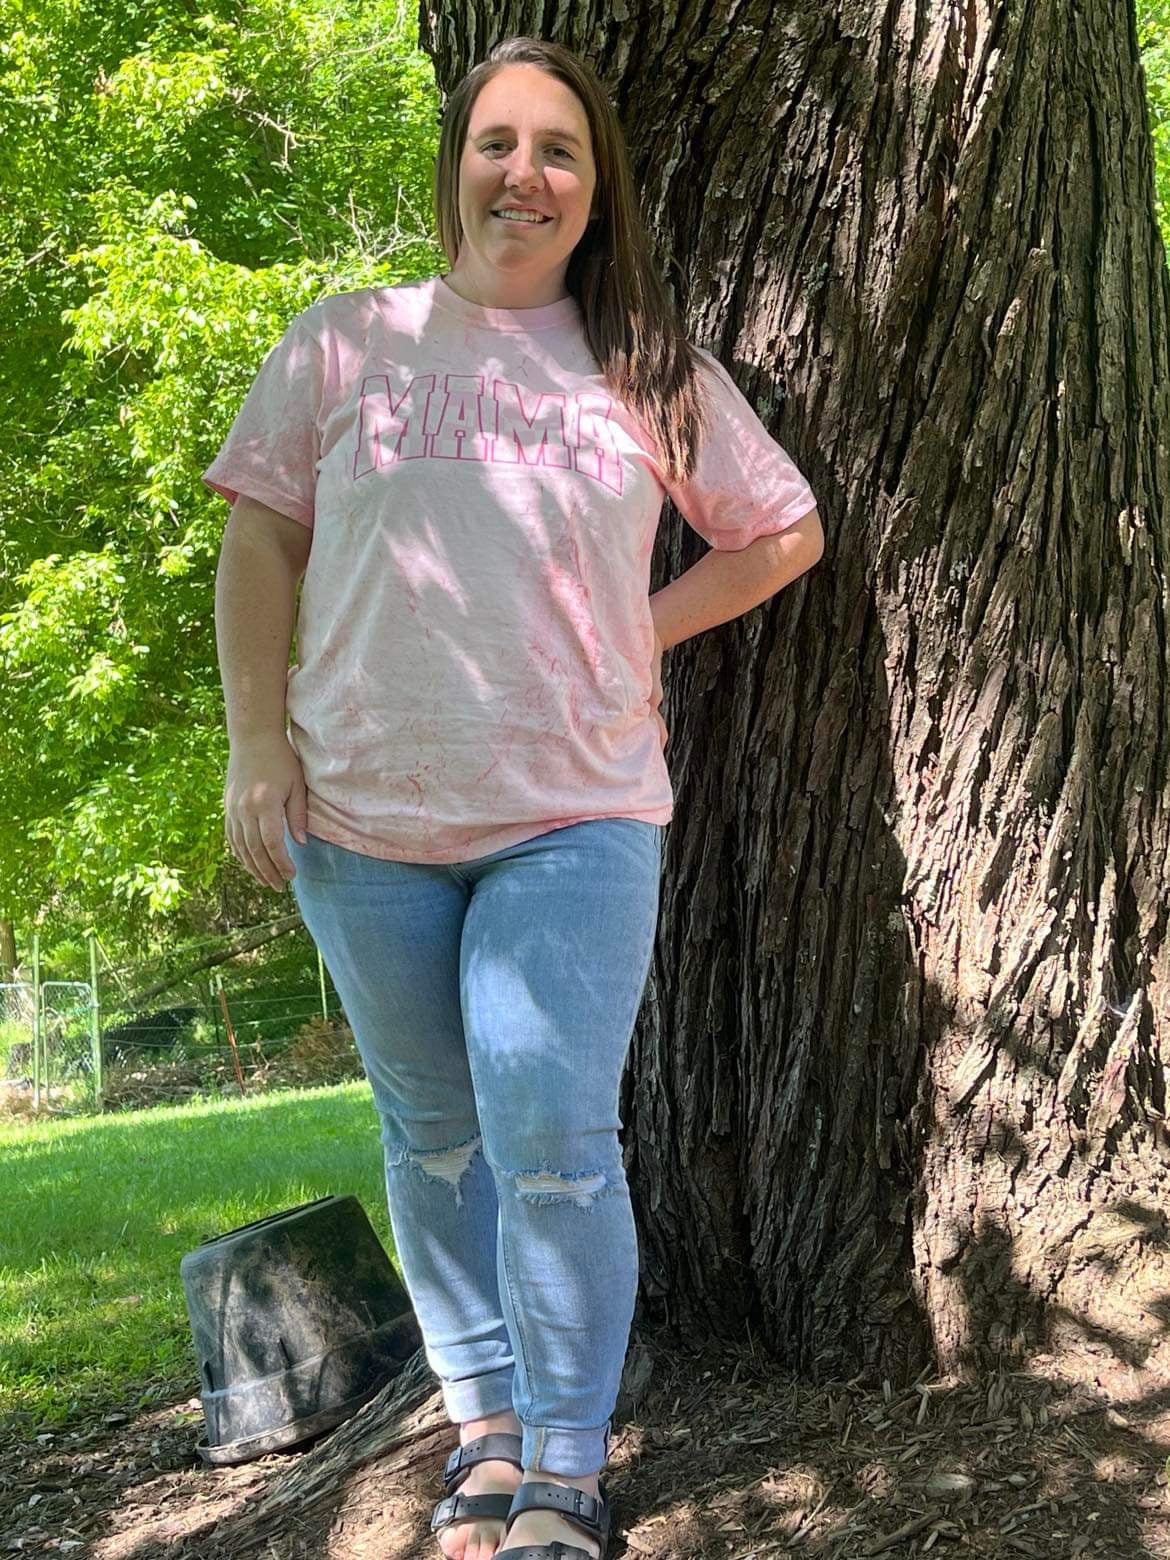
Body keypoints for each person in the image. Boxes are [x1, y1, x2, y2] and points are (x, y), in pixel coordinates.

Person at [207, 35, 823, 1560]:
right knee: (428, 1138)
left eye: (558, 150)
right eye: (496, 142)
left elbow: (779, 531)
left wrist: (639, 627)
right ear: (453, 168)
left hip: (574, 811)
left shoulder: (645, 368)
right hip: (361, 818)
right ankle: (480, 1433)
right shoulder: (345, 344)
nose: (524, 173)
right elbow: (260, 547)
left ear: (593, 191)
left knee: (552, 1138)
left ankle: (564, 1466)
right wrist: (253, 746)